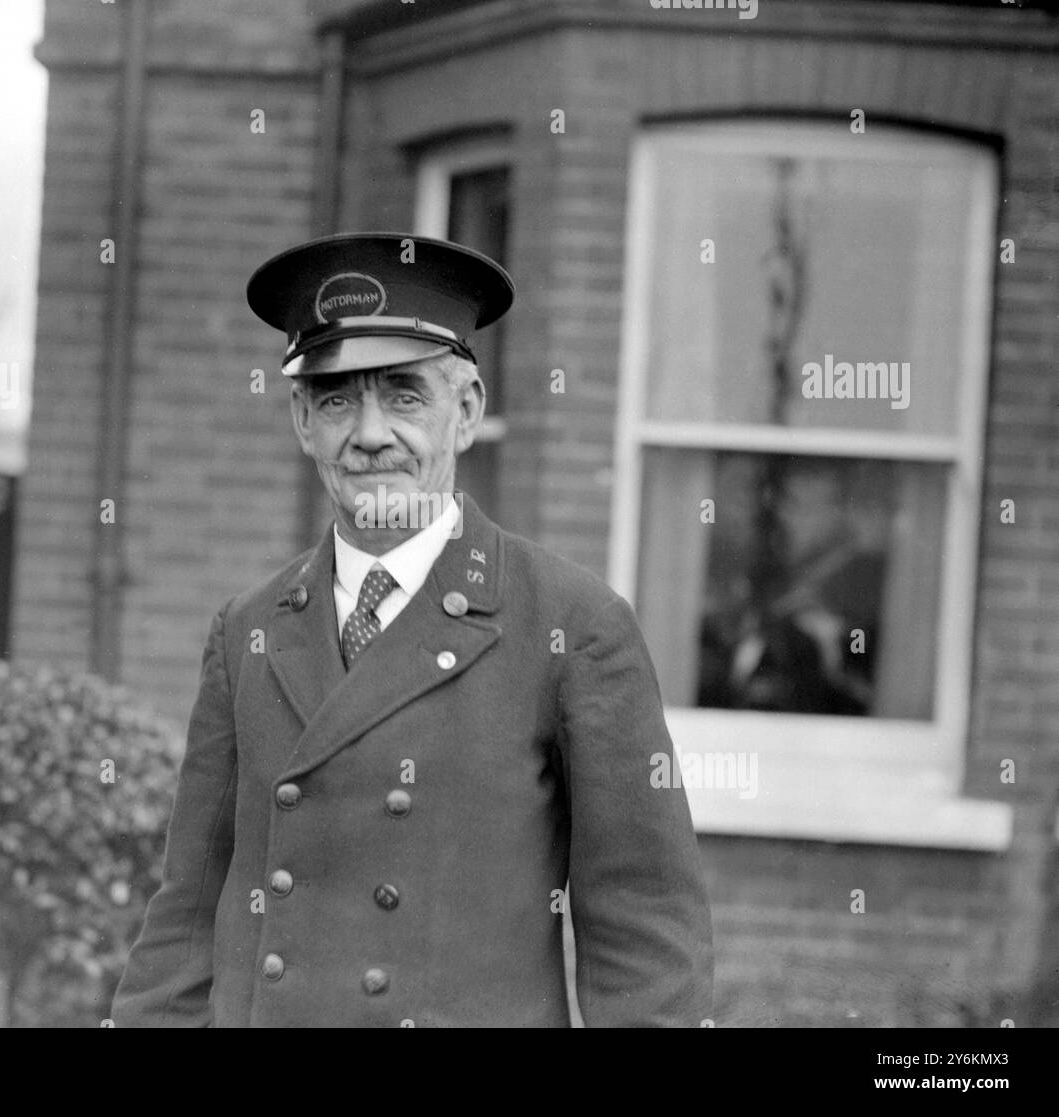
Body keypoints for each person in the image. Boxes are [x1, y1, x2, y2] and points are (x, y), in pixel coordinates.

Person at [112, 232, 712, 1027]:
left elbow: (645, 934)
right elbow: (185, 915)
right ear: (301, 420)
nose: (368, 433)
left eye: (403, 396)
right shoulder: (248, 632)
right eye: (336, 399)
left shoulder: (571, 626)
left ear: (465, 412)